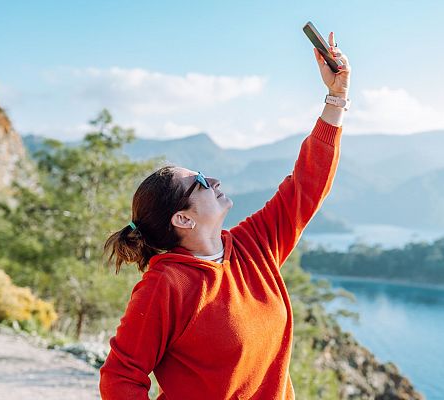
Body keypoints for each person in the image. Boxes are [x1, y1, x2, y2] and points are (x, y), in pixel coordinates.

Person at [99, 31, 351, 400]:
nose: (212, 179)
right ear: (182, 219)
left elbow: (306, 185)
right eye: (199, 182)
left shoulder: (253, 246)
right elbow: (120, 377)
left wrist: (337, 96)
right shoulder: (166, 286)